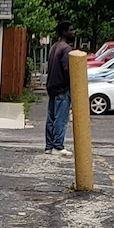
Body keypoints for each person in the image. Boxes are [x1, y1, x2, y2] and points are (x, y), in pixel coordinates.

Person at [44, 21, 75, 155]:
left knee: (51, 118)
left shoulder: (54, 47)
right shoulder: (66, 49)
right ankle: (58, 146)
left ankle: (49, 146)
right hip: (62, 87)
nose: (73, 33)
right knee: (61, 118)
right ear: (64, 32)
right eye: (70, 30)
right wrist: (73, 83)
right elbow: (67, 68)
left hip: (52, 86)